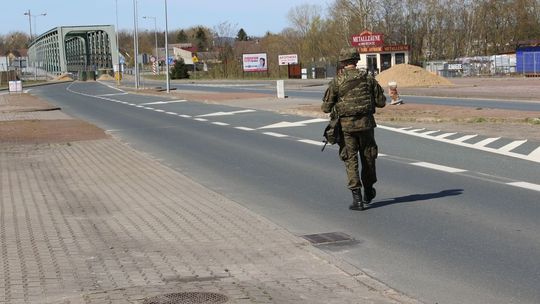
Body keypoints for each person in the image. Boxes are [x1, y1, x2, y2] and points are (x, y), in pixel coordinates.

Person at [321, 47, 387, 210]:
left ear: (342, 63)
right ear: (356, 61)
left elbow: (326, 107)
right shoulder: (368, 78)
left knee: (351, 160)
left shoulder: (337, 81)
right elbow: (381, 102)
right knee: (368, 157)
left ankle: (357, 199)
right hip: (366, 125)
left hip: (346, 128)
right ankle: (369, 190)